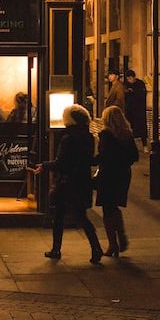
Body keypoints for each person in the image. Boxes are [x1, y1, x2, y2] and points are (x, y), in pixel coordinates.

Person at [36, 104, 104, 264]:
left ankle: (56, 249)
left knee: (59, 216)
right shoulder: (88, 136)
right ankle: (96, 247)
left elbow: (62, 162)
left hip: (66, 183)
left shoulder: (67, 138)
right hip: (82, 181)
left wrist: (44, 165)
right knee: (82, 217)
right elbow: (89, 160)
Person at [94, 106, 139, 257]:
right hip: (123, 175)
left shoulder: (106, 135)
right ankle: (122, 237)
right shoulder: (127, 135)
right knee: (114, 206)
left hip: (108, 175)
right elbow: (134, 156)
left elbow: (103, 156)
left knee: (107, 209)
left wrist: (90, 161)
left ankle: (113, 244)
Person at [124, 70, 149, 152]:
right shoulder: (127, 85)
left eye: (130, 78)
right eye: (128, 78)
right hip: (130, 110)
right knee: (131, 128)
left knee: (142, 128)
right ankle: (133, 146)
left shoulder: (140, 84)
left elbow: (142, 94)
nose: (129, 80)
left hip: (139, 110)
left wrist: (133, 92)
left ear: (134, 77)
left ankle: (145, 145)